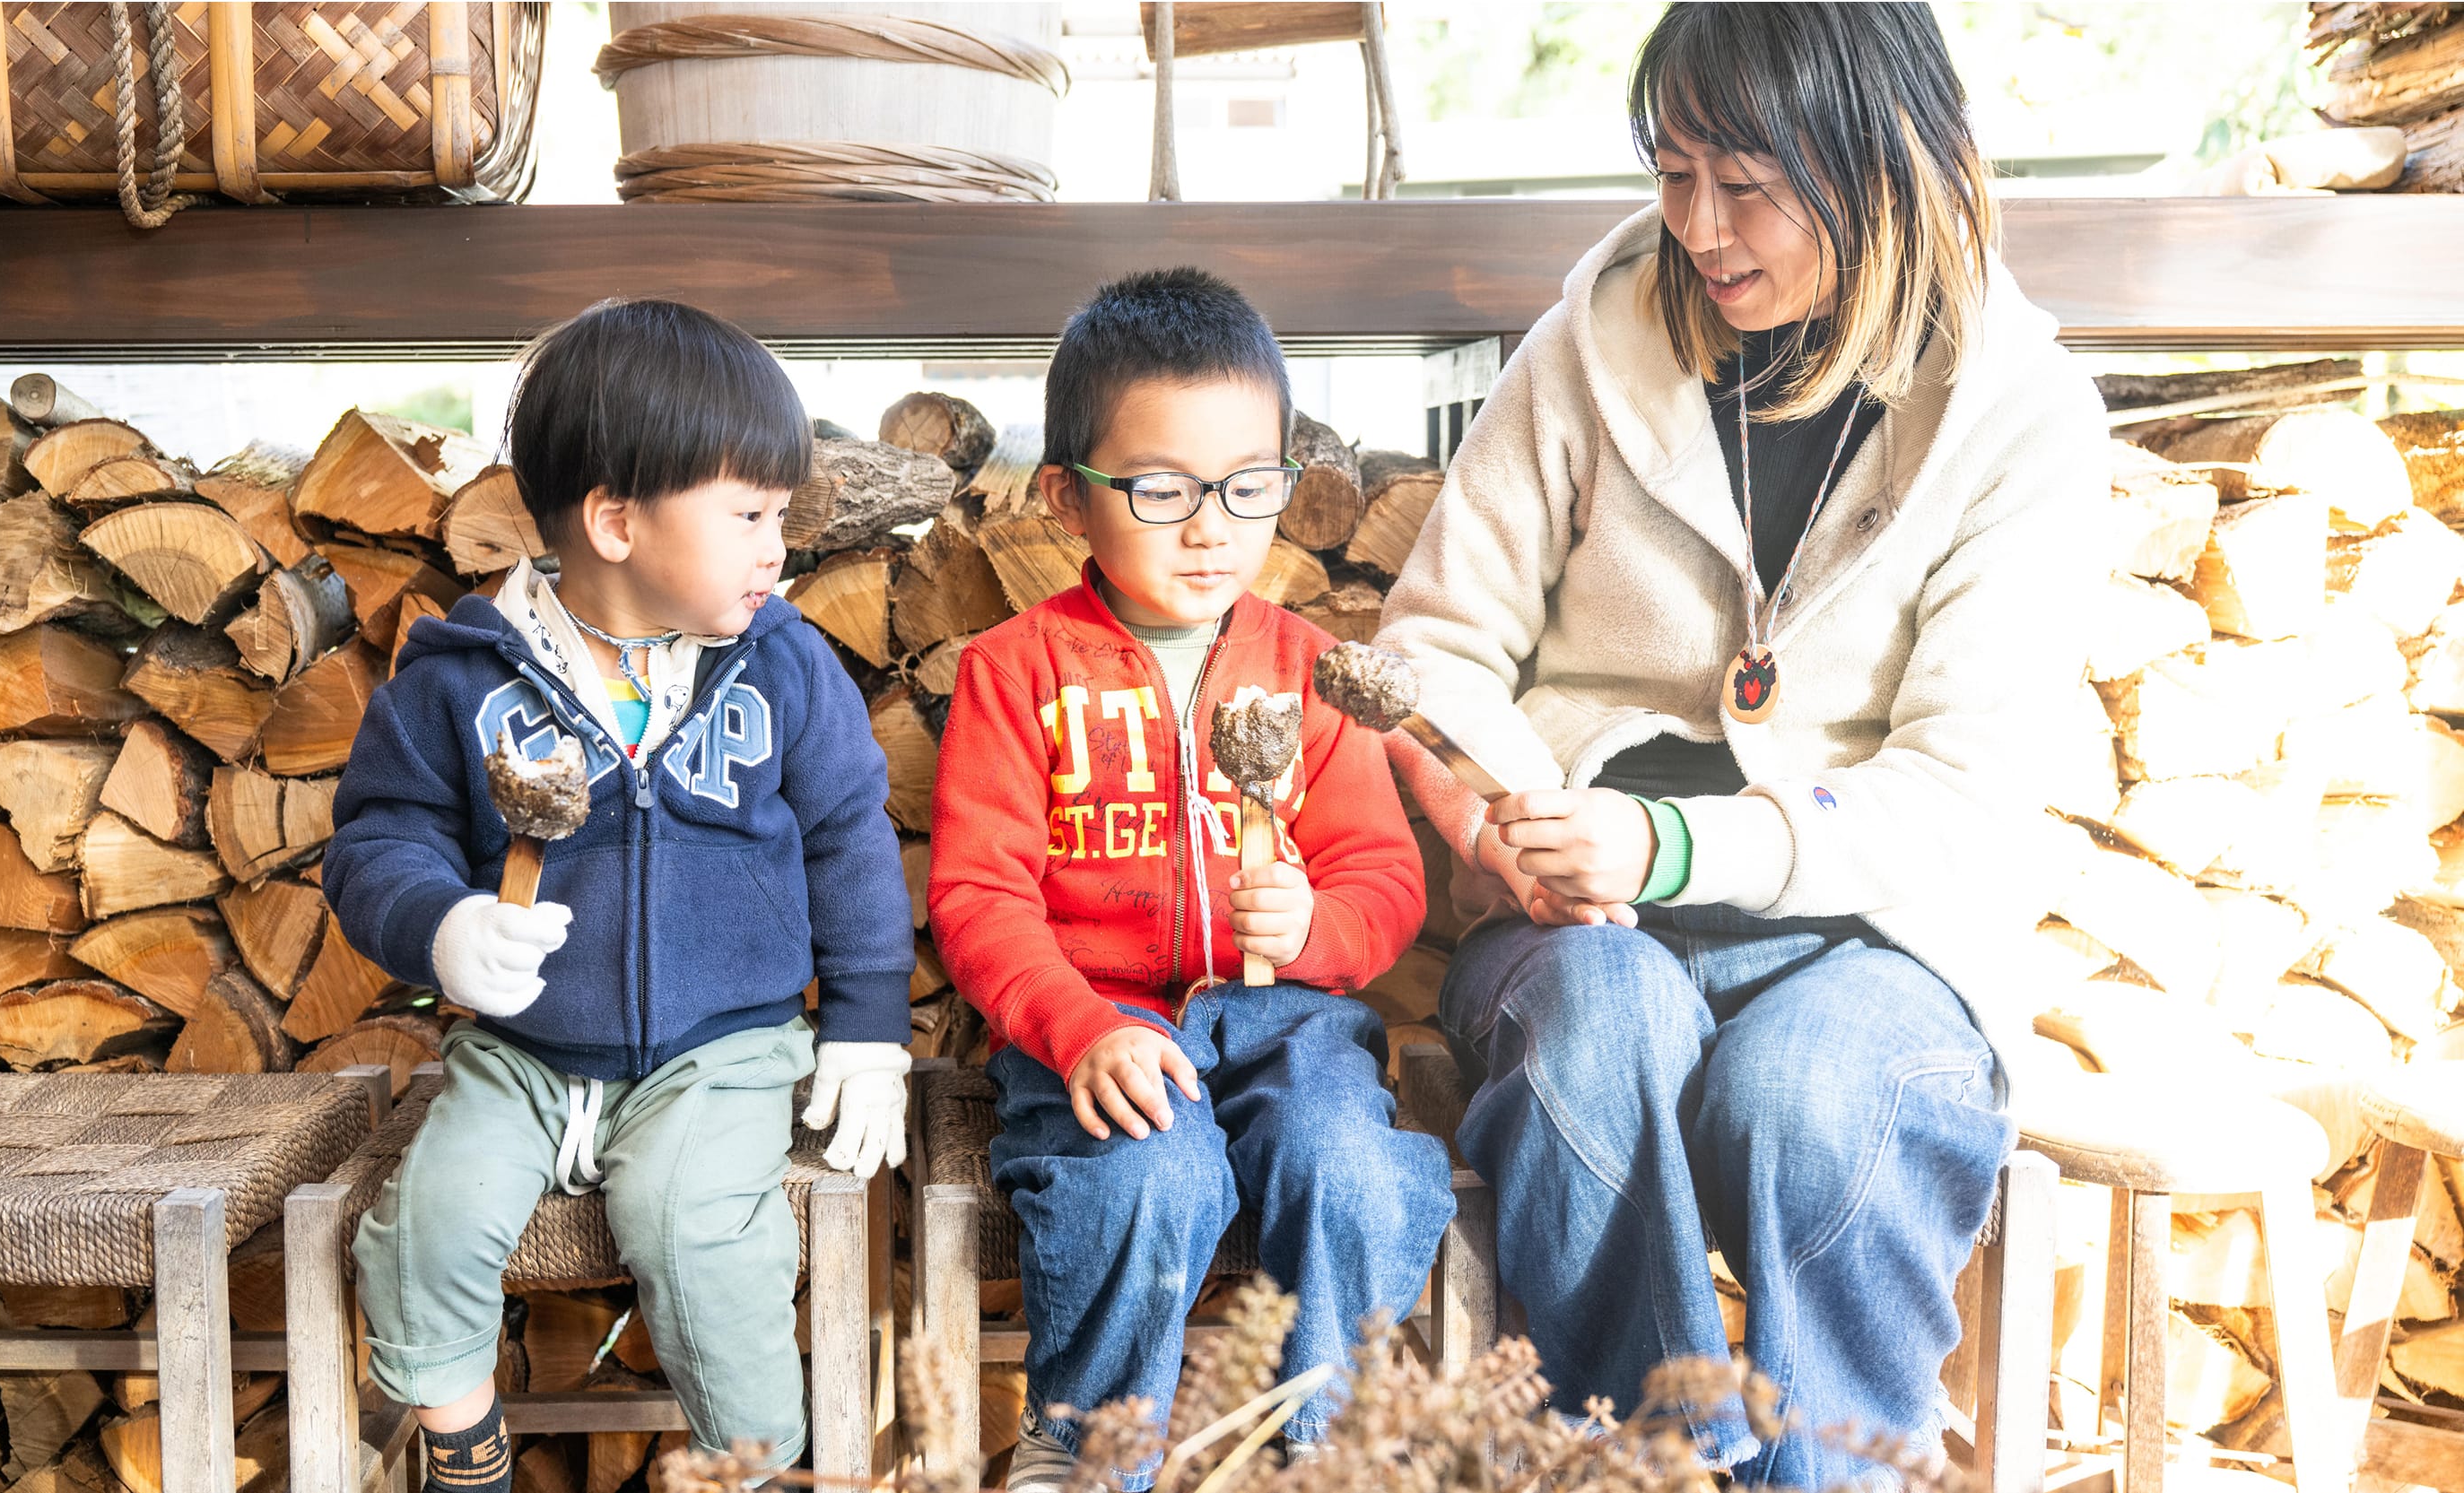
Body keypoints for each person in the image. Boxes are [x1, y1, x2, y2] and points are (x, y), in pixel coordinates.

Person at [1372, 5, 2105, 1487]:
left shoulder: (2022, 415)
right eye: (1670, 171)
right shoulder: (1587, 347)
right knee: (1597, 1031)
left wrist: (1683, 839)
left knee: (1813, 1101)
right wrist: (1496, 833)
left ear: (1878, 164)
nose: (1698, 226)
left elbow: (1957, 790)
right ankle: (1642, 1461)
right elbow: (1430, 653)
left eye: (1748, 183)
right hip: (1583, 921)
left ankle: (1829, 1470)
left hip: (1879, 937)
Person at [324, 299, 916, 1490]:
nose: (776, 549)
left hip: (721, 1047)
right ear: (614, 520)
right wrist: (440, 924)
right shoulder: (464, 674)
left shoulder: (785, 660)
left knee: (701, 1236)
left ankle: (750, 1464)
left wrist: (866, 1028)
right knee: (427, 1220)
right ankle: (465, 1444)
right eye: (748, 514)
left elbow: (850, 837)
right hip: (524, 1052)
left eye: (781, 516)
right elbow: (377, 840)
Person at [929, 268, 1451, 1492]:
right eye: (1162, 490)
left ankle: (1333, 1447)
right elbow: (980, 897)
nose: (1212, 525)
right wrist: (1075, 1027)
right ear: (1067, 495)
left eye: (1249, 486)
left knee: (1348, 1162)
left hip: (1288, 1027)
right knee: (1148, 1173)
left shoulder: (1310, 668)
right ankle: (1088, 1449)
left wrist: (1321, 925)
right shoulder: (1019, 671)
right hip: (1100, 1029)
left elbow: (1383, 875)